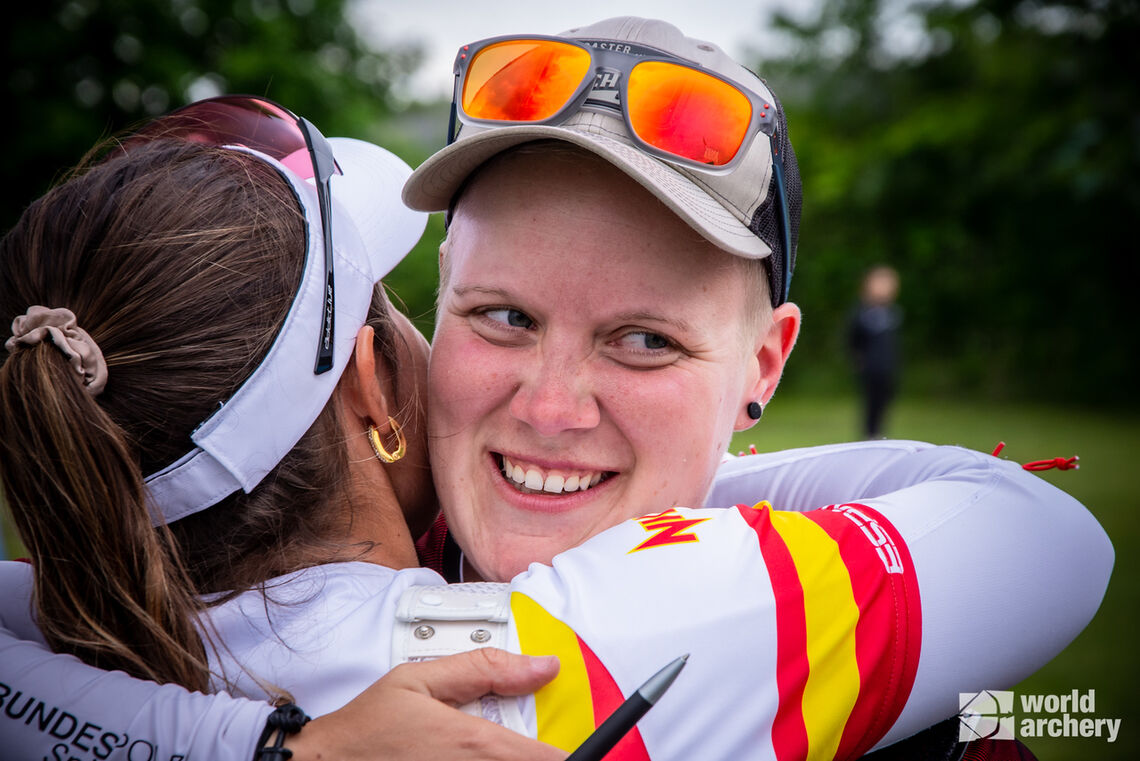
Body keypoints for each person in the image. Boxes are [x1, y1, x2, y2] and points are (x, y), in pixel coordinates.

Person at [0, 19, 1112, 761]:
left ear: (764, 365)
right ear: (376, 378)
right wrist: (713, 484)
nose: (550, 408)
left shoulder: (96, 611)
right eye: (504, 317)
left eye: (645, 341)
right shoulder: (585, 641)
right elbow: (1044, 537)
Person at [847, 265, 903, 439]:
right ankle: (869, 433)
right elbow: (852, 338)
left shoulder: (893, 312)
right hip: (870, 367)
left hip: (888, 366)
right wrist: (858, 359)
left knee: (885, 400)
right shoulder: (862, 313)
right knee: (871, 401)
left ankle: (879, 431)